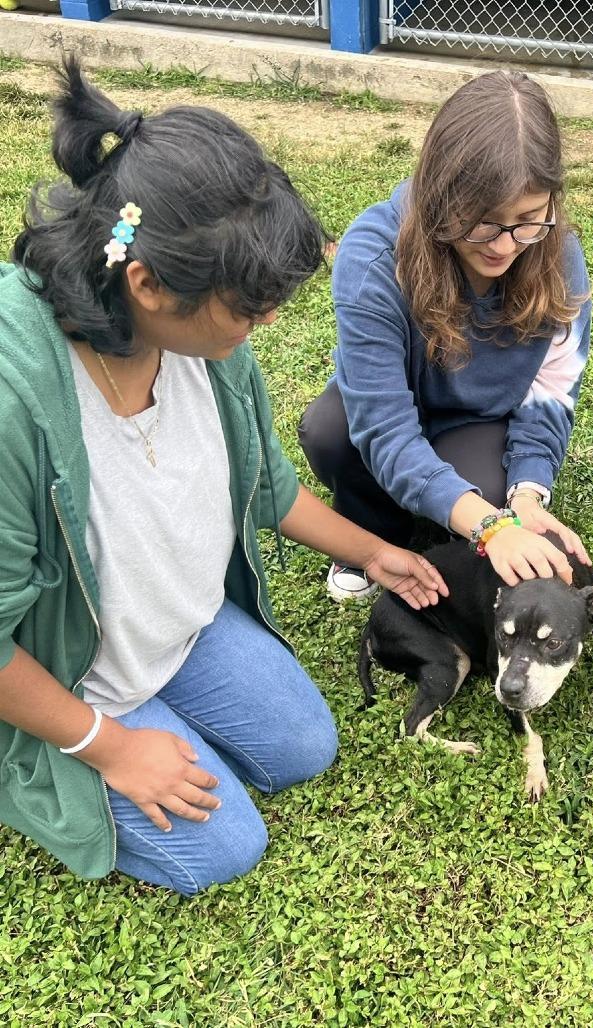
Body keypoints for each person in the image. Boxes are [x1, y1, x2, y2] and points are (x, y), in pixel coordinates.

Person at [0, 58, 447, 895]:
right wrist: (110, 745)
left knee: (304, 747)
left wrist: (373, 553)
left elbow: (260, 479)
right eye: (248, 306)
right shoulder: (14, 401)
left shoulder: (206, 345)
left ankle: (153, 700)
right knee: (225, 848)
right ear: (147, 284)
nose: (266, 321)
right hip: (67, 666)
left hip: (177, 629)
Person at [299, 70, 592, 603]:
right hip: (388, 412)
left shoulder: (560, 257)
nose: (504, 246)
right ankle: (371, 529)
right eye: (482, 221)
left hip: (477, 422)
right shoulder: (372, 257)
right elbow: (384, 428)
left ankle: (448, 501)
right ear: (439, 192)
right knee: (331, 433)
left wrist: (526, 496)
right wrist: (490, 527)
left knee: (491, 492)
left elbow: (550, 396)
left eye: (529, 218)